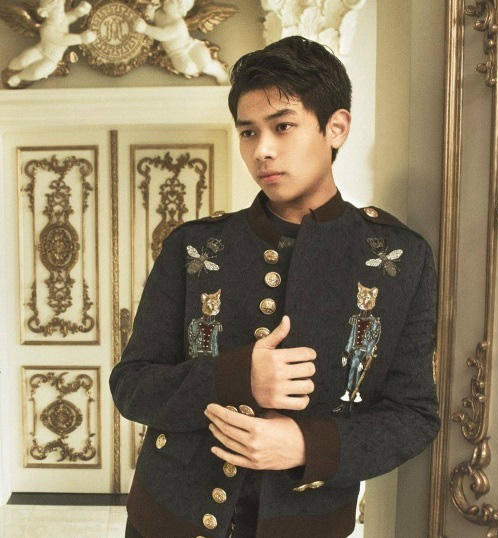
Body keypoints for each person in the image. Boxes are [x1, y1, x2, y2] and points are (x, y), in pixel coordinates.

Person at [110, 35, 440, 538]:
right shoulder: (194, 247)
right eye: (248, 132)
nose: (261, 150)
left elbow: (413, 415)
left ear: (336, 127)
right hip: (167, 521)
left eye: (282, 126)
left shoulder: (398, 257)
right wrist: (234, 377)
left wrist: (308, 445)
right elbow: (131, 386)